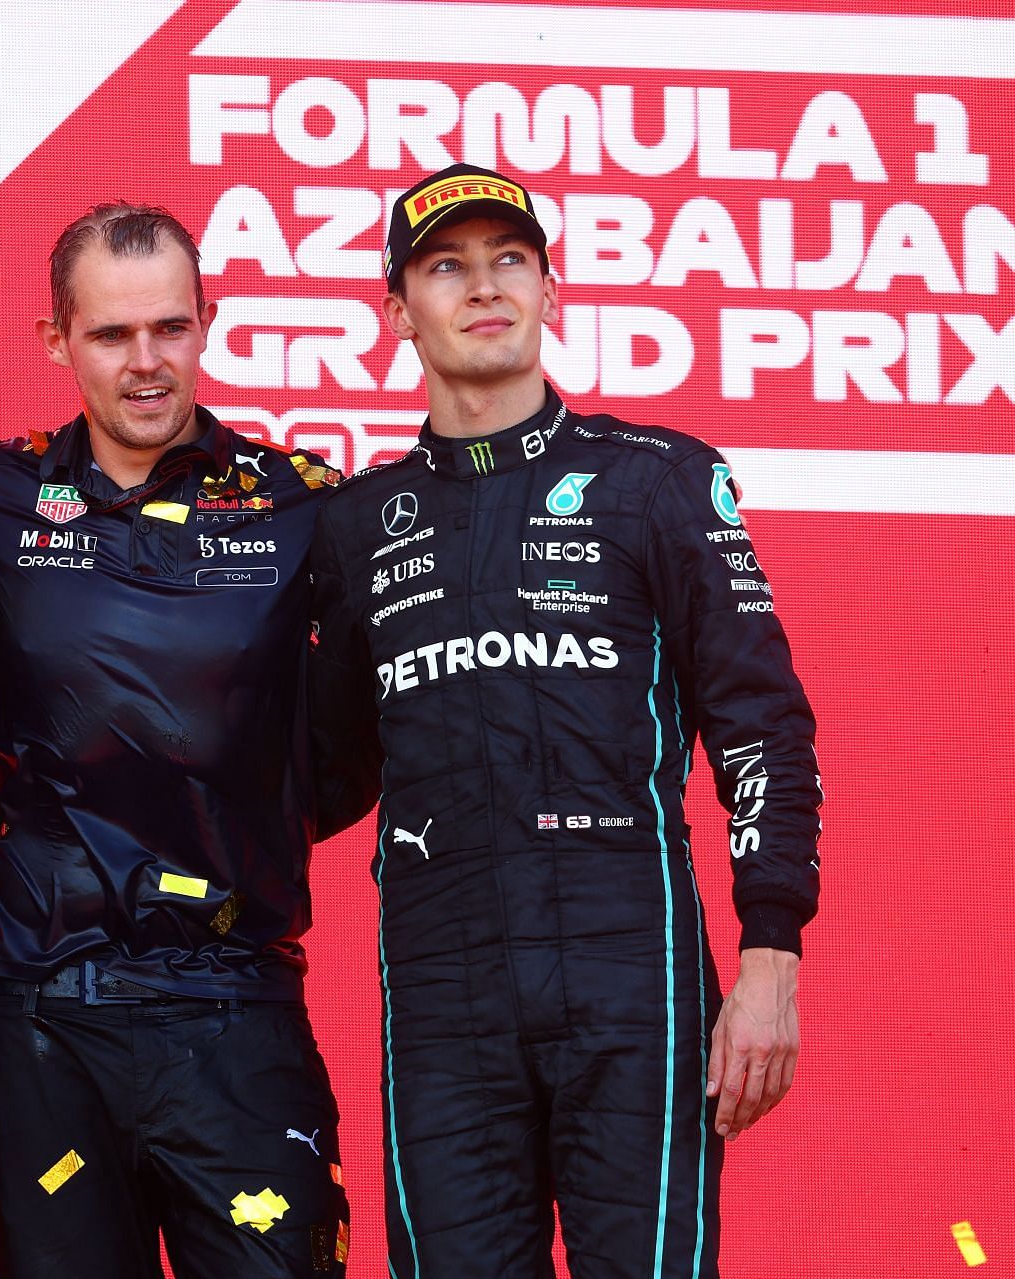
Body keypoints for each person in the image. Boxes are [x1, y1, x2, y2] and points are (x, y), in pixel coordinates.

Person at [307, 163, 822, 1278]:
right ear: (398, 309)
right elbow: (321, 773)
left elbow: (761, 724)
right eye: (446, 266)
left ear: (551, 289)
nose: (483, 287)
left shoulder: (660, 482)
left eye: (511, 261)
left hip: (630, 965)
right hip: (443, 987)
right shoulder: (354, 525)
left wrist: (771, 953)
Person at [0, 202, 350, 1278]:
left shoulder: (300, 505)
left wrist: (242, 810)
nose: (146, 362)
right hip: (46, 1017)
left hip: (236, 1004)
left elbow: (355, 749)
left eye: (170, 327)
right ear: (56, 341)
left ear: (209, 321)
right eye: (113, 335)